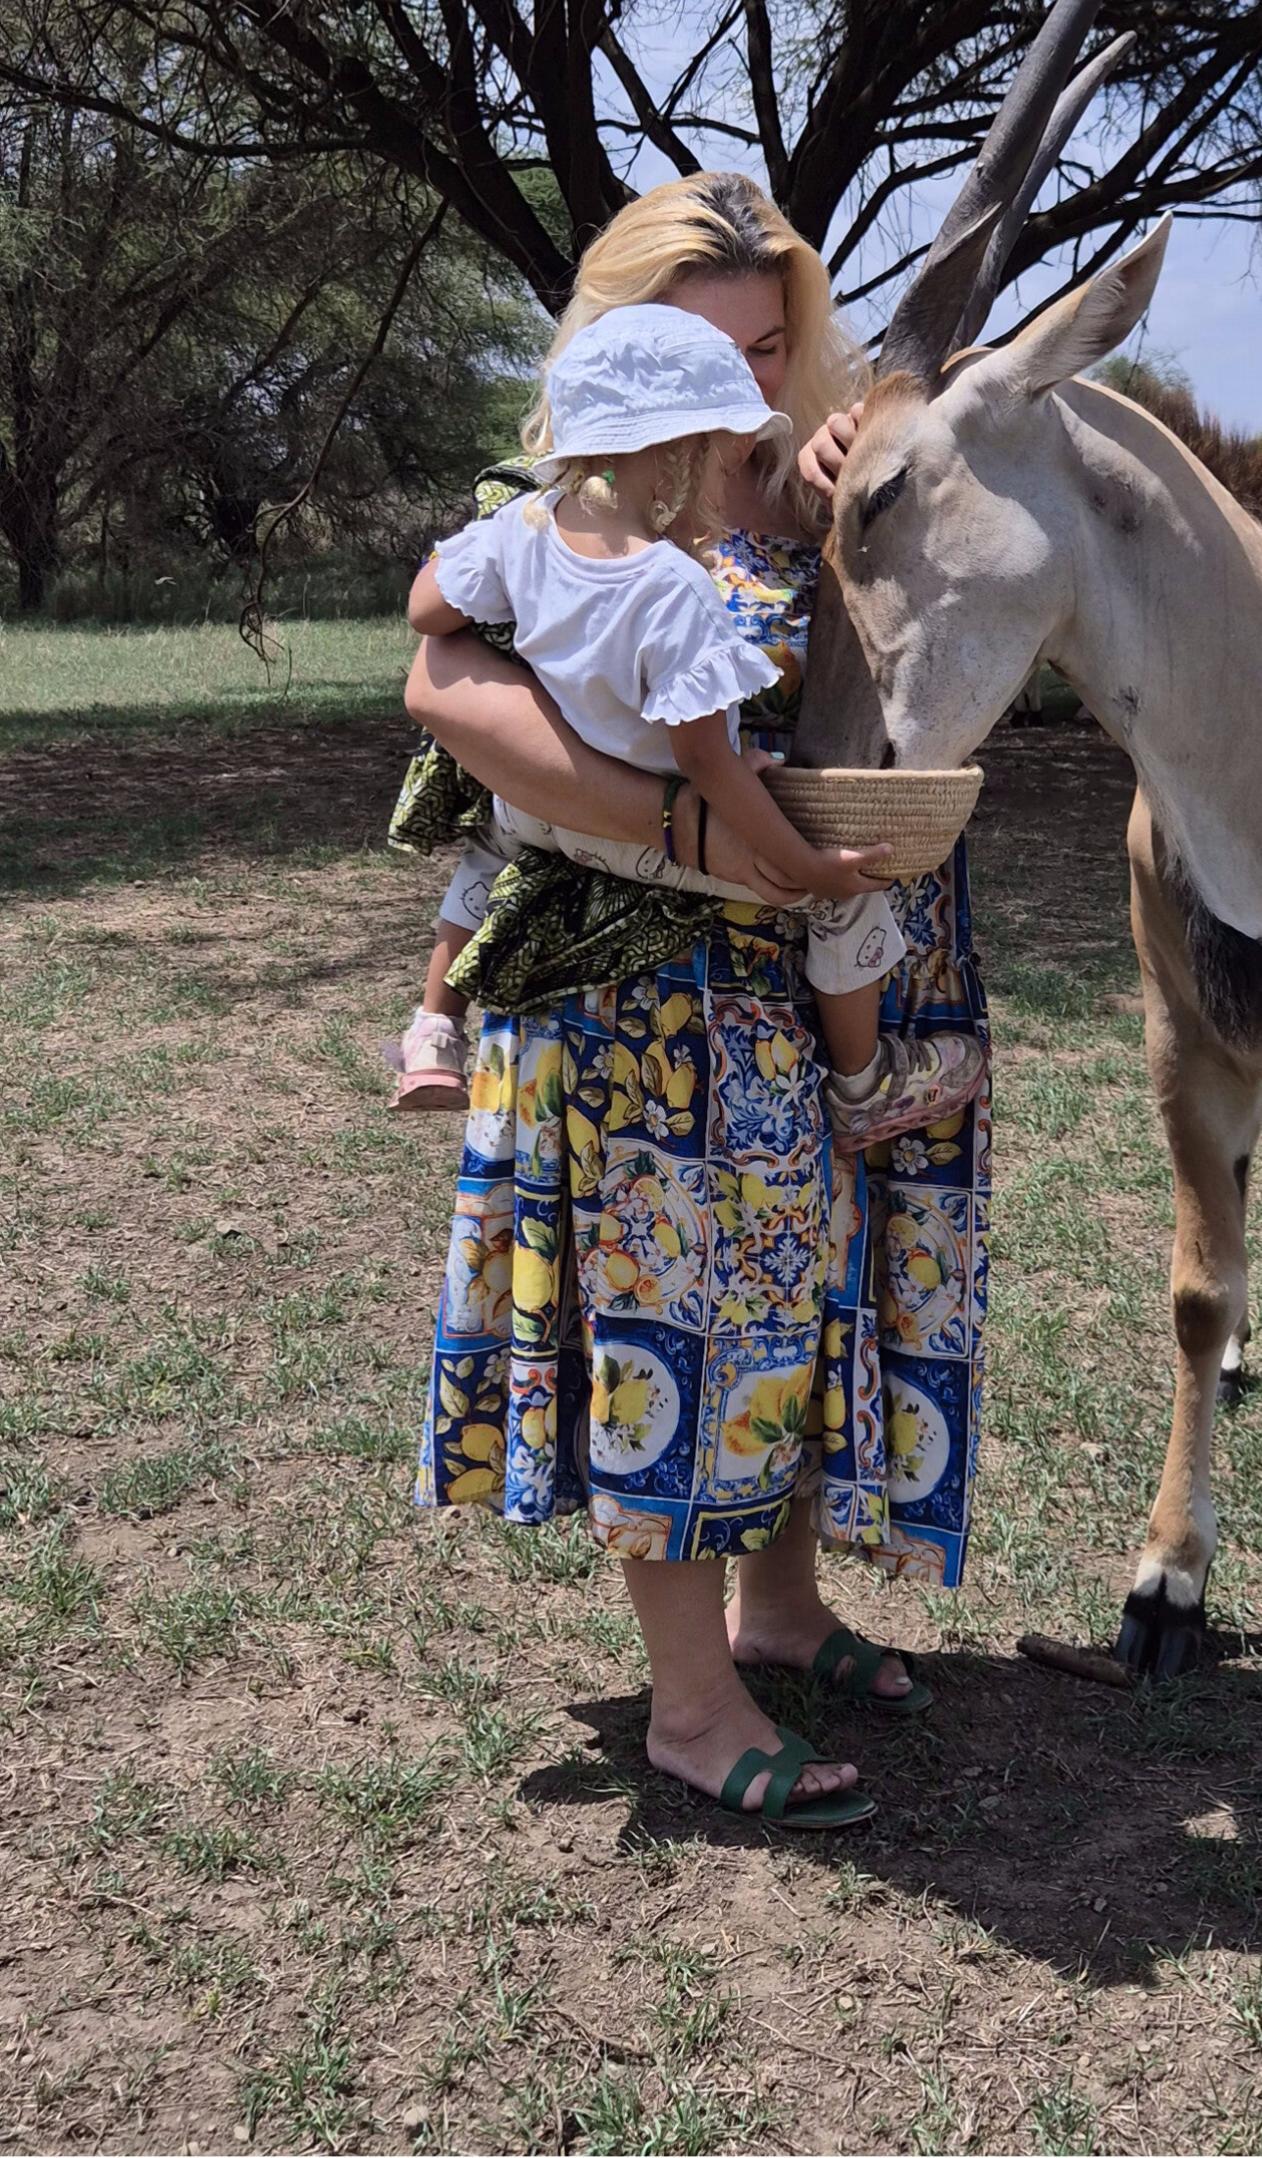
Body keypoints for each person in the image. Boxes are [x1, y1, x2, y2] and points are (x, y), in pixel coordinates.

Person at [410, 172, 991, 1829]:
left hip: (790, 981)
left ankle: (784, 1607)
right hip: (633, 999)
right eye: (703, 349)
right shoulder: (565, 503)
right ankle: (685, 1702)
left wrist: (836, 507)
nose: (741, 390)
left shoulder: (806, 496)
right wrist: (685, 832)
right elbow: (434, 684)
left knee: (801, 1302)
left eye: (768, 349)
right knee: (659, 1327)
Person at [406, 301, 982, 1150]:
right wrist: (807, 867)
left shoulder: (520, 531)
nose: (732, 485)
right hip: (662, 837)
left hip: (543, 816)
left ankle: (431, 1032)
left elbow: (426, 610)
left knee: (488, 846)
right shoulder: (675, 590)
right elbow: (705, 767)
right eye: (722, 461)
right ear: (669, 459)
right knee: (849, 913)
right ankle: (865, 1084)